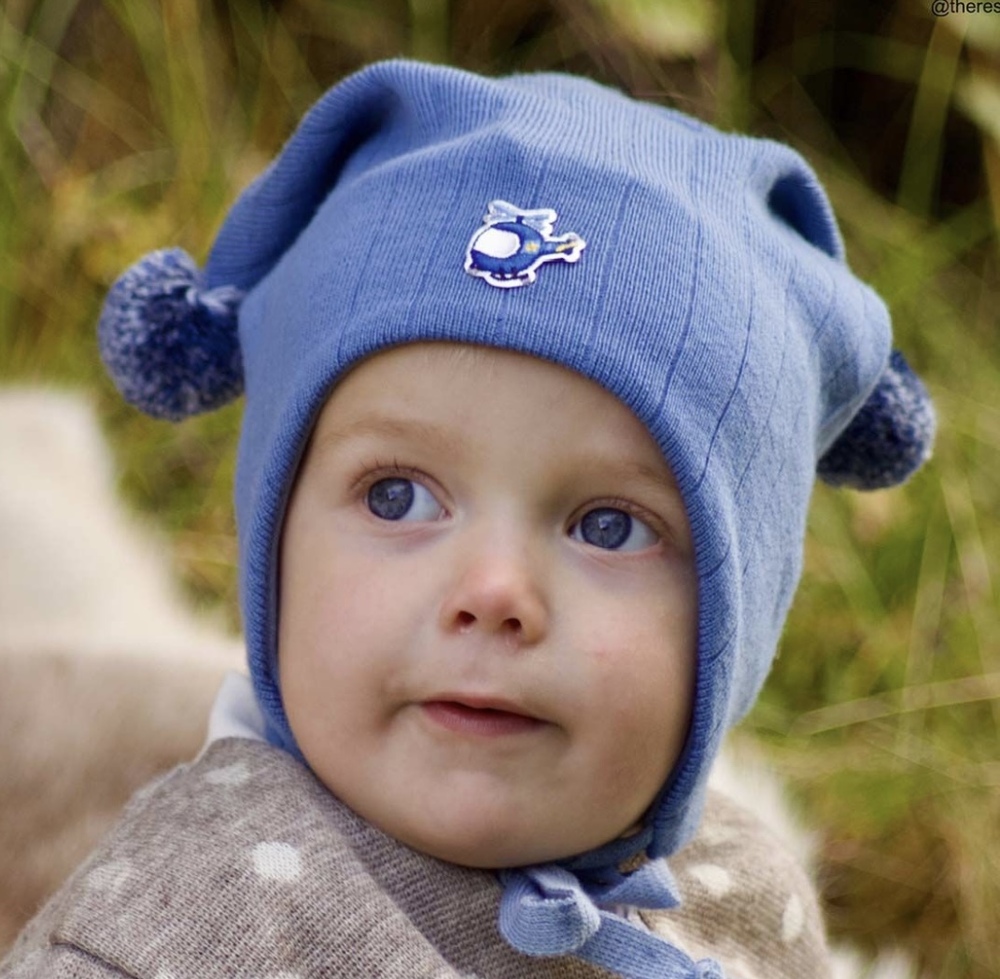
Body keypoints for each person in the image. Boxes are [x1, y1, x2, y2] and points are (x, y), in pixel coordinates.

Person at [0, 60, 935, 979]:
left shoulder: (743, 894)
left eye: (608, 526)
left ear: (738, 623)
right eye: (397, 497)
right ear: (274, 547)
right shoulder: (169, 930)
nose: (493, 592)